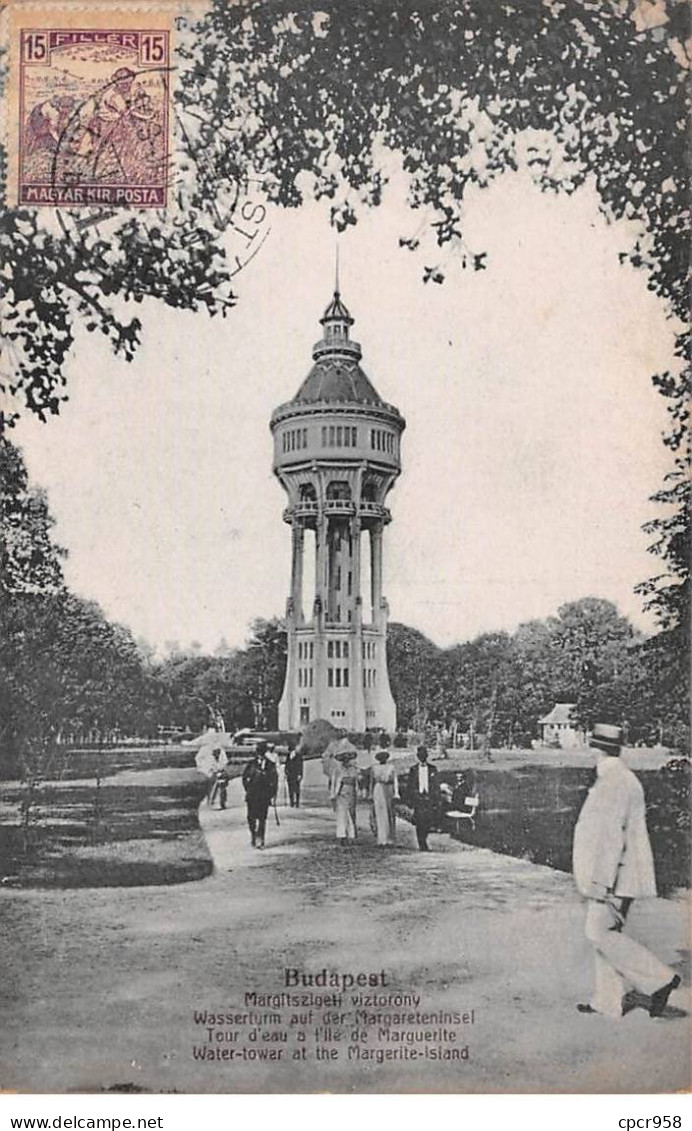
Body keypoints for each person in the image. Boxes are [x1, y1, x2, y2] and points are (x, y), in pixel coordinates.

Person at [572, 722, 680, 1019]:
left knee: (598, 932)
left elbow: (610, 838)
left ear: (597, 749)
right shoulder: (620, 777)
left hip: (614, 876)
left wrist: (600, 882)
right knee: (607, 932)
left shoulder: (614, 781)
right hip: (620, 874)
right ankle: (606, 1002)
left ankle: (659, 979)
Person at [241, 742, 278, 848]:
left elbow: (274, 780)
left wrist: (272, 794)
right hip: (252, 795)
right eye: (258, 752)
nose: (260, 754)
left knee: (262, 818)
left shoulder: (271, 764)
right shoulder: (251, 764)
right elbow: (244, 777)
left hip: (264, 796)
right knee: (251, 818)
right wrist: (247, 788)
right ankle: (253, 835)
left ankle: (260, 839)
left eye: (262, 752)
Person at [406, 745, 439, 851]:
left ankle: (424, 838)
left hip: (429, 798)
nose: (422, 757)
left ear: (427, 756)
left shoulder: (433, 769)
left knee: (428, 821)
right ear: (417, 756)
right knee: (419, 821)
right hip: (418, 798)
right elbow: (410, 785)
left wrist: (436, 799)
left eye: (424, 755)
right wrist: (410, 799)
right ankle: (422, 843)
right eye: (420, 755)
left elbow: (435, 785)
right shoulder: (413, 769)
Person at [370, 749, 398, 846]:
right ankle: (381, 838)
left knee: (390, 813)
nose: (383, 760)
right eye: (381, 758)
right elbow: (371, 782)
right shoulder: (374, 768)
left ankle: (390, 839)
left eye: (384, 758)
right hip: (378, 790)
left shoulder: (391, 767)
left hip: (388, 789)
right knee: (380, 812)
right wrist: (370, 794)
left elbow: (395, 780)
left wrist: (396, 793)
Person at [330, 749, 358, 844]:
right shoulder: (337, 770)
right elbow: (334, 782)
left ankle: (351, 834)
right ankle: (342, 835)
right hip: (341, 792)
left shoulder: (353, 769)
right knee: (342, 813)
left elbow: (356, 781)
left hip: (351, 792)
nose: (346, 761)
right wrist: (334, 794)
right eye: (344, 759)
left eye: (348, 759)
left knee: (351, 813)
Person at [284, 743, 304, 808]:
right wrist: (285, 772)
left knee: (297, 789)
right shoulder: (288, 756)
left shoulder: (298, 756)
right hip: (290, 774)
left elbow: (300, 766)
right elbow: (286, 765)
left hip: (296, 774)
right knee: (290, 788)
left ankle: (297, 802)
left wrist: (300, 774)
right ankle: (291, 802)